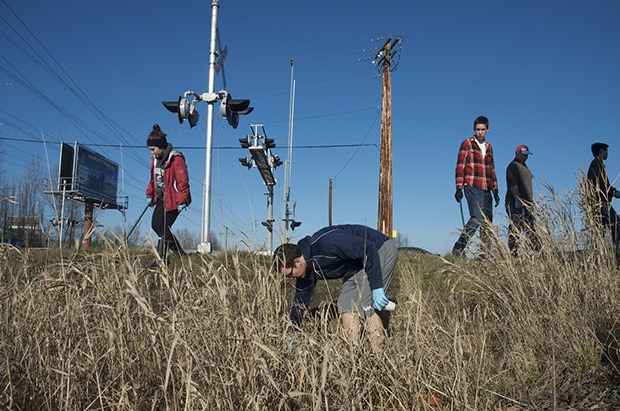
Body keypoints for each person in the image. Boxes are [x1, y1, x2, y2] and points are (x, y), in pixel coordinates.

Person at [273, 224, 399, 353]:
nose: (290, 279)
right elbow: (300, 301)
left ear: (297, 262)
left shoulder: (326, 242)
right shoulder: (307, 270)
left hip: (378, 251)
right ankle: (354, 357)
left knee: (368, 304)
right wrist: (293, 331)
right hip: (357, 266)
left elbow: (368, 248)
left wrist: (376, 287)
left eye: (289, 274)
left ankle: (378, 359)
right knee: (345, 303)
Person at [452, 116, 500, 257]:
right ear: (474, 129)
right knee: (477, 217)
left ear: (487, 129)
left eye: (483, 129)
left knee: (487, 222)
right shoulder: (467, 143)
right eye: (478, 129)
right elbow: (460, 165)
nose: (480, 132)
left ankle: (484, 253)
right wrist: (458, 187)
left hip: (487, 187)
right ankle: (459, 248)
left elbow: (492, 169)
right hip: (472, 185)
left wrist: (495, 190)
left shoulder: (489, 147)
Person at [146, 124, 191, 260]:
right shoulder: (155, 161)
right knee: (155, 225)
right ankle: (180, 254)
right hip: (162, 198)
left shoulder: (176, 159)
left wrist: (182, 200)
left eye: (153, 149)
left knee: (164, 227)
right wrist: (150, 195)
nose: (151, 152)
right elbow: (153, 180)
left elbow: (183, 181)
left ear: (161, 146)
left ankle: (161, 259)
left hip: (175, 199)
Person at [586, 142, 620, 261]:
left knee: (599, 233)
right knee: (616, 224)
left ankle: (596, 260)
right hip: (601, 203)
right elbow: (601, 185)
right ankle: (618, 256)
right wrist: (614, 192)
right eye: (606, 151)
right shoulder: (597, 164)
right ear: (601, 151)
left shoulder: (597, 164)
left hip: (596, 203)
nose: (607, 153)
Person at [505, 144, 540, 256]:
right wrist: (518, 200)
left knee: (530, 226)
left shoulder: (524, 166)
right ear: (517, 153)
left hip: (527, 201)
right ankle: (513, 253)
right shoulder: (513, 166)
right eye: (524, 155)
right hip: (516, 201)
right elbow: (512, 183)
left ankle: (537, 250)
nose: (526, 157)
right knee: (516, 226)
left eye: (527, 155)